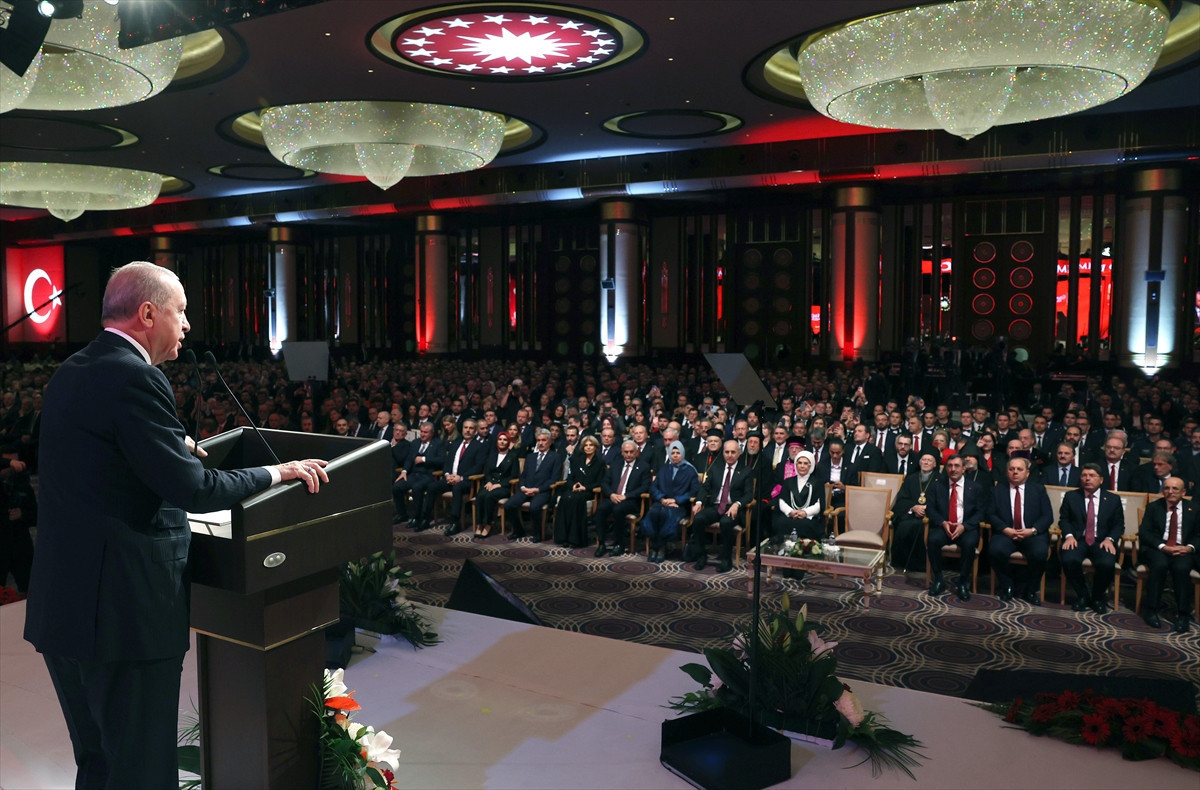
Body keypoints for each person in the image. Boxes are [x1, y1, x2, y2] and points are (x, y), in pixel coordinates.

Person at [22, 261, 328, 790]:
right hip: (125, 617)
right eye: (180, 311)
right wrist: (277, 472)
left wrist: (168, 446)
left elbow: (102, 462)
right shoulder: (137, 376)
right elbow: (196, 490)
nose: (186, 325)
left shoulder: (74, 368)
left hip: (65, 608)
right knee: (142, 772)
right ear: (147, 314)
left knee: (99, 765)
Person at [1059, 463, 1125, 614]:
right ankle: (1082, 595)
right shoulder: (1071, 497)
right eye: (1084, 475)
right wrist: (1069, 536)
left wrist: (1110, 539)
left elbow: (1118, 525)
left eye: (1091, 476)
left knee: (1107, 563)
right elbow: (1064, 520)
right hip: (1078, 539)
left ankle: (1097, 597)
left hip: (1102, 540)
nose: (1087, 479)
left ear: (1101, 480)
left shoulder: (1113, 499)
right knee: (1069, 559)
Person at [988, 457, 1053, 605]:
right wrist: (1005, 529)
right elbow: (990, 514)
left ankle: (1031, 589)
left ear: (1027, 473)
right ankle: (1007, 585)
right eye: (1011, 469)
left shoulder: (1038, 490)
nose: (1015, 472)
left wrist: (1033, 530)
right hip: (1007, 533)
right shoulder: (997, 490)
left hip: (1031, 534)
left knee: (1040, 553)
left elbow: (1047, 516)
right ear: (1007, 472)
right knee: (995, 550)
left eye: (1019, 469)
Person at [1136, 476, 1197, 632]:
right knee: (1159, 565)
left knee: (1181, 568)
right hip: (1158, 548)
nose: (1170, 492)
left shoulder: (1194, 509)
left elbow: (1198, 535)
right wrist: (1163, 547)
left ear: (1183, 492)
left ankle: (1183, 614)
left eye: (1175, 488)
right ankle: (1151, 610)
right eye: (1166, 488)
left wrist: (1189, 548)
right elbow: (1145, 532)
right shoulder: (1154, 507)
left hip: (1183, 549)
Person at [926, 454, 987, 601]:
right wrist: (943, 522)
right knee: (932, 540)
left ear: (964, 468)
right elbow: (931, 509)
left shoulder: (975, 487)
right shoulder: (936, 486)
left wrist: (964, 526)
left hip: (965, 528)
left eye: (957, 466)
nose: (953, 469)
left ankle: (963, 583)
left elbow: (981, 512)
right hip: (944, 526)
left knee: (969, 543)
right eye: (950, 466)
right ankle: (939, 580)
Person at [686, 440, 753, 573]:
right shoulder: (716, 468)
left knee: (725, 522)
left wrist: (737, 504)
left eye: (733, 452)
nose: (729, 455)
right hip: (716, 506)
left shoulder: (746, 471)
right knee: (698, 519)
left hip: (733, 509)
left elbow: (749, 494)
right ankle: (701, 556)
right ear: (723, 453)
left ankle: (726, 559)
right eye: (727, 452)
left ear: (738, 453)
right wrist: (699, 503)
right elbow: (704, 488)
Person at [641, 440, 700, 563]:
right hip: (661, 502)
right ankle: (655, 547)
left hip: (679, 505)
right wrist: (662, 498)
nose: (675, 455)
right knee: (653, 513)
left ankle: (660, 548)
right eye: (672, 453)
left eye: (678, 453)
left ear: (682, 453)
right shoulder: (664, 469)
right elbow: (653, 487)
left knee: (665, 514)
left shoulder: (690, 471)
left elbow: (693, 491)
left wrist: (675, 500)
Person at [594, 439, 651, 557]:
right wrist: (611, 494)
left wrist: (626, 496)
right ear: (622, 452)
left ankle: (619, 544)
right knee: (601, 508)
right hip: (613, 497)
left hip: (631, 500)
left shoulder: (644, 466)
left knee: (618, 510)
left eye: (631, 452)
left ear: (636, 452)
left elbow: (645, 487)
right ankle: (601, 543)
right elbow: (604, 482)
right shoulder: (616, 464)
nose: (629, 454)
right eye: (626, 452)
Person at [503, 428, 563, 539]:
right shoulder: (530, 456)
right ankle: (519, 531)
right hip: (526, 489)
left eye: (544, 440)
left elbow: (554, 479)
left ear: (550, 442)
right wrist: (522, 487)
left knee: (534, 507)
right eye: (538, 440)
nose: (540, 443)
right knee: (509, 505)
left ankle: (537, 534)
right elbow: (523, 476)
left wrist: (538, 490)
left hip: (542, 491)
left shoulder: (555, 457)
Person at [433, 417, 487, 535]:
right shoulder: (455, 444)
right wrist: (447, 475)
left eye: (471, 428)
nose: (467, 430)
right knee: (432, 486)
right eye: (465, 427)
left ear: (475, 431)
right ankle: (424, 517)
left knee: (457, 488)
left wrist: (461, 478)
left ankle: (455, 523)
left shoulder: (480, 446)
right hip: (450, 478)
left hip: (467, 482)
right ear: (462, 429)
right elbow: (447, 463)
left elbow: (478, 467)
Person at [890, 449, 941, 573]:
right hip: (911, 514)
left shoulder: (941, 480)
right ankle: (900, 562)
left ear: (935, 464)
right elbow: (902, 499)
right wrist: (913, 507)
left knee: (919, 526)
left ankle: (920, 565)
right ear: (919, 462)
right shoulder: (911, 478)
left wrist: (927, 508)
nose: (926, 463)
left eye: (929, 460)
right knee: (903, 525)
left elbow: (942, 501)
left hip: (929, 517)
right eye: (924, 460)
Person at [552, 434, 607, 548]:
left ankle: (575, 539)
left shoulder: (600, 462)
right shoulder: (577, 460)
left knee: (576, 499)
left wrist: (585, 487)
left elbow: (600, 482)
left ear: (596, 447)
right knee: (565, 497)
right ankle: (563, 537)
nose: (588, 447)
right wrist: (573, 485)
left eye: (591, 445)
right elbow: (570, 477)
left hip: (588, 491)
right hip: (575, 489)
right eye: (586, 445)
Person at [771, 450, 824, 541]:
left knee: (806, 525)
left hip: (808, 516)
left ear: (810, 466)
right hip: (791, 515)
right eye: (799, 463)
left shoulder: (817, 483)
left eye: (805, 463)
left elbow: (819, 504)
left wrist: (805, 512)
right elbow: (782, 501)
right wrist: (790, 512)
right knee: (780, 522)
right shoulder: (788, 481)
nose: (802, 466)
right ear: (796, 464)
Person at [474, 431, 518, 538]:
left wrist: (500, 484)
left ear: (508, 442)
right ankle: (480, 524)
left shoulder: (513, 456)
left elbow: (514, 476)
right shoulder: (492, 455)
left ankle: (488, 524)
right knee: (480, 495)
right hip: (490, 484)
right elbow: (487, 472)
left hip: (504, 487)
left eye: (505, 440)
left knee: (489, 496)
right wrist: (489, 481)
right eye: (500, 439)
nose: (502, 442)